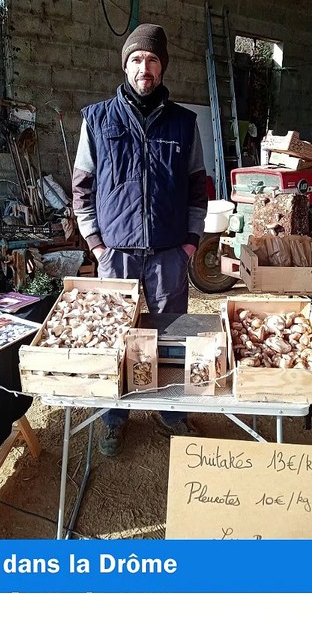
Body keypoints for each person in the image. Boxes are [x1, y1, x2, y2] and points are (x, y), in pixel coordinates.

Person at [70, 23, 208, 457]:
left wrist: (189, 241)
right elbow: (82, 187)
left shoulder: (185, 124)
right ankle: (115, 416)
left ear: (162, 66)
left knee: (171, 336)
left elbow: (198, 186)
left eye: (151, 59)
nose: (143, 67)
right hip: (117, 253)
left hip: (169, 252)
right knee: (116, 336)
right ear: (125, 65)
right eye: (136, 59)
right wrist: (95, 243)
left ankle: (170, 411)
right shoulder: (97, 119)